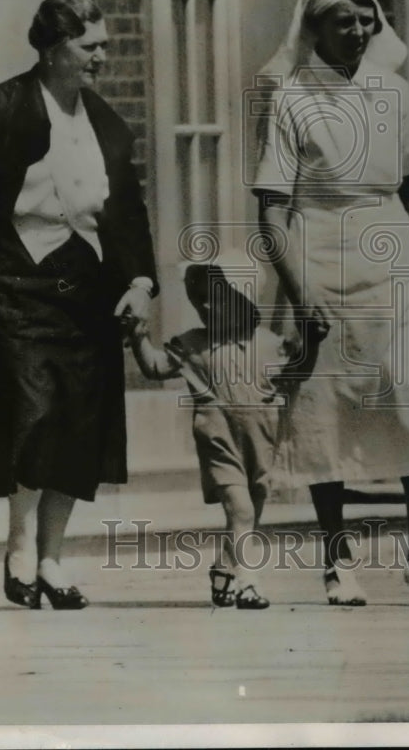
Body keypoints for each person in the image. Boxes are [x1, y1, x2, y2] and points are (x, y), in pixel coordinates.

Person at [252, 0, 409, 606]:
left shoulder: (395, 92)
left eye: (366, 18)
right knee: (326, 411)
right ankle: (337, 561)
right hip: (320, 258)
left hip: (395, 262)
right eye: (343, 20)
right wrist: (300, 294)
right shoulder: (288, 98)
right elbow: (271, 212)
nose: (358, 31)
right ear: (315, 27)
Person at [0, 0, 158, 609]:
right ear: (53, 50)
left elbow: (126, 213)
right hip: (15, 282)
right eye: (89, 46)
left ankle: (52, 559)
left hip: (86, 289)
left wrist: (140, 283)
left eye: (103, 45)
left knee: (78, 423)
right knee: (34, 416)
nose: (102, 56)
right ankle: (20, 548)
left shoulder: (105, 122)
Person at [128, 250, 297, 610]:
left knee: (247, 514)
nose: (204, 304)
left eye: (216, 297)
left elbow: (299, 373)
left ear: (245, 300)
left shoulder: (270, 344)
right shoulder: (192, 344)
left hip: (262, 445)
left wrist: (310, 341)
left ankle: (223, 566)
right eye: (199, 295)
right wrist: (139, 338)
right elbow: (156, 368)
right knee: (242, 510)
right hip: (218, 442)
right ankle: (248, 582)